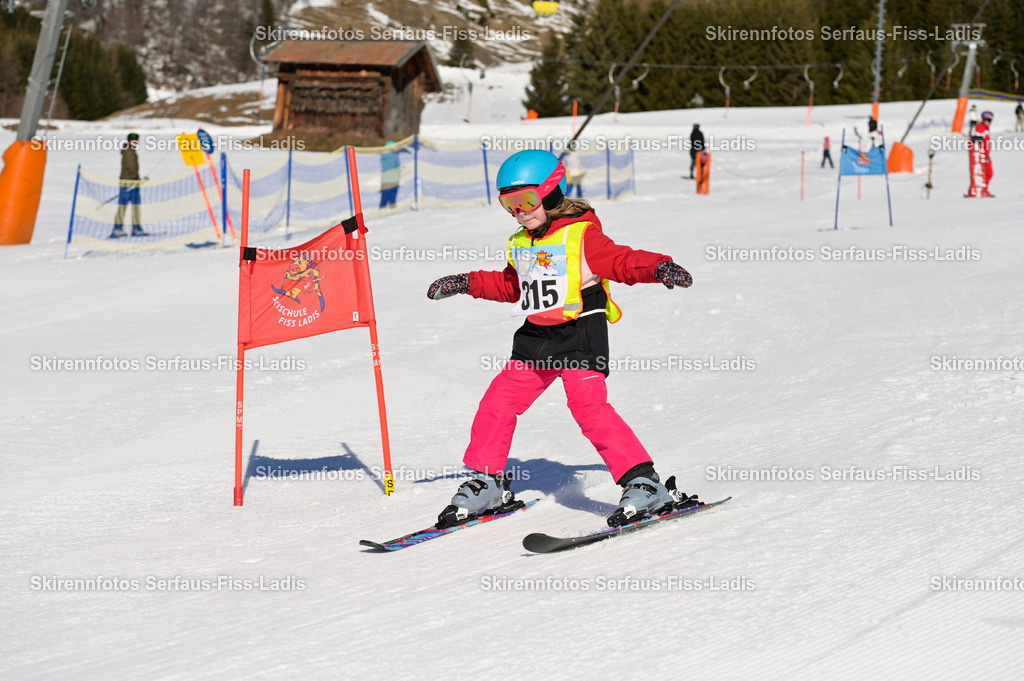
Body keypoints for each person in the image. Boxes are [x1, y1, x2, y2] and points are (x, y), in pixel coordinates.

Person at [425, 149, 697, 529]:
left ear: (552, 193)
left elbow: (621, 260)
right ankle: (487, 481)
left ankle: (644, 482)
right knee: (498, 401)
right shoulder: (522, 241)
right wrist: (466, 282)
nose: (519, 211)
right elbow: (510, 285)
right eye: (509, 203)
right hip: (536, 336)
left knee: (588, 409)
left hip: (578, 331)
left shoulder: (581, 234)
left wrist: (658, 267)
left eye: (526, 201)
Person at [110, 132, 146, 238]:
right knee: (124, 206)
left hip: (132, 183)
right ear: (129, 141)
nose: (134, 143)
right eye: (132, 141)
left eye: (136, 141)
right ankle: (118, 228)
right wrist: (135, 179)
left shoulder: (130, 151)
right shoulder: (128, 151)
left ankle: (136, 228)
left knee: (135, 207)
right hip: (128, 183)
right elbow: (131, 168)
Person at [970, 110, 994, 197]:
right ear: (983, 119)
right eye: (988, 120)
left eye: (990, 120)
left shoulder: (985, 127)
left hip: (986, 155)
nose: (989, 122)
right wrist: (983, 155)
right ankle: (981, 190)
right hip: (982, 155)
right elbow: (977, 141)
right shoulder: (981, 127)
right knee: (986, 173)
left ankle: (984, 190)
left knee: (989, 173)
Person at [379, 141, 401, 209]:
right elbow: (398, 169)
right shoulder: (395, 156)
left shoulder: (383, 156)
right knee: (392, 196)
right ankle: (392, 208)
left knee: (384, 196)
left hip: (384, 180)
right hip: (394, 180)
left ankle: (382, 209)